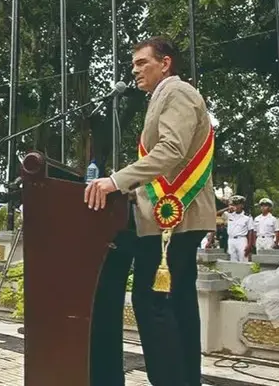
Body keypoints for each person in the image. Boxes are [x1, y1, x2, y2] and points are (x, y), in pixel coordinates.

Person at [83, 36, 216, 386]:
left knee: (154, 305)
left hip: (175, 218)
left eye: (143, 63)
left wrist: (116, 182)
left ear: (166, 62)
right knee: (176, 306)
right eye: (134, 64)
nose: (135, 70)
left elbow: (171, 150)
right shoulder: (164, 96)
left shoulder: (177, 93)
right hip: (168, 218)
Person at [223, 196, 254, 262]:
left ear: (242, 205)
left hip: (241, 240)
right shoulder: (229, 215)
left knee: (243, 259)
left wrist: (249, 245)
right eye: (234, 204)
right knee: (232, 260)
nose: (235, 206)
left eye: (237, 204)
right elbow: (216, 214)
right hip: (231, 240)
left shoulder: (247, 216)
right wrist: (227, 208)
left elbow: (250, 231)